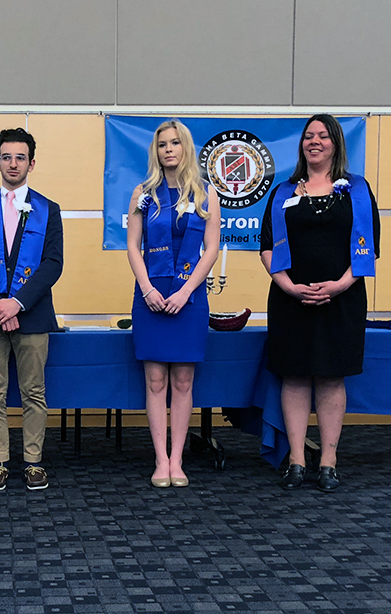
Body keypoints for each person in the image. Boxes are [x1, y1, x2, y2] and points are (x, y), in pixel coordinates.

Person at [259, 114, 380, 493]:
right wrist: (290, 287)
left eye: (323, 136)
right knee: (294, 375)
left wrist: (339, 286)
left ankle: (328, 460)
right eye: (309, 136)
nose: (315, 141)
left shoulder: (357, 190)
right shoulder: (283, 193)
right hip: (291, 300)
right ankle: (296, 459)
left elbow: (368, 250)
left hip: (341, 300)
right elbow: (265, 248)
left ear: (336, 143)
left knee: (330, 376)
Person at [0, 128, 63, 491]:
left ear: (31, 163)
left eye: (21, 157)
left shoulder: (48, 211)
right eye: (7, 157)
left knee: (34, 391)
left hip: (32, 313)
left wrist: (17, 302)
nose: (13, 163)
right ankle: (0, 462)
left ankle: (33, 462)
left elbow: (53, 263)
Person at [126, 120, 221, 489]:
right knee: (155, 379)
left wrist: (185, 292)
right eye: (162, 144)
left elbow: (211, 249)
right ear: (156, 150)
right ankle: (160, 460)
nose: (168, 149)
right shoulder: (142, 193)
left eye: (175, 143)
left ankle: (178, 460)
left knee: (183, 380)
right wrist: (148, 288)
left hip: (189, 295)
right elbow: (133, 245)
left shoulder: (205, 194)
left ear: (186, 148)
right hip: (151, 293)